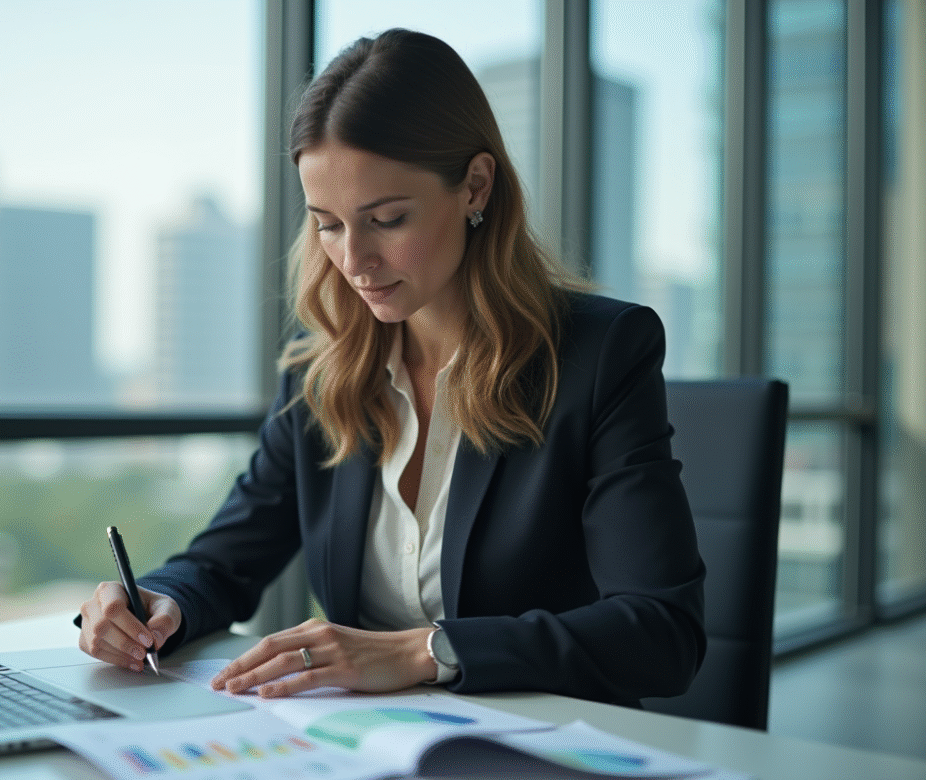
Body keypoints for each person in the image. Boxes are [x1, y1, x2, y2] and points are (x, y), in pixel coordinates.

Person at [78, 28, 705, 707]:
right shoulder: (321, 375)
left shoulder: (599, 355)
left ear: (475, 186)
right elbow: (222, 564)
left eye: (386, 219)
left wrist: (420, 651)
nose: (354, 261)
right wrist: (158, 601)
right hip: (362, 745)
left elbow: (660, 634)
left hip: (542, 745)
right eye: (328, 223)